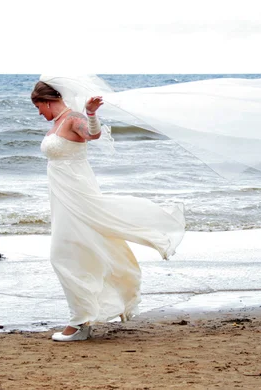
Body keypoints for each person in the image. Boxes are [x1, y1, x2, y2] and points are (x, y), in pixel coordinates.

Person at [31, 81, 185, 342]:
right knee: (78, 250)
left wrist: (91, 114)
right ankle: (84, 319)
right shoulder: (56, 122)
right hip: (62, 196)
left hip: (78, 194)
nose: (38, 113)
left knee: (63, 254)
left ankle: (79, 323)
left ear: (46, 101)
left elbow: (93, 135)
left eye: (38, 107)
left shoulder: (73, 118)